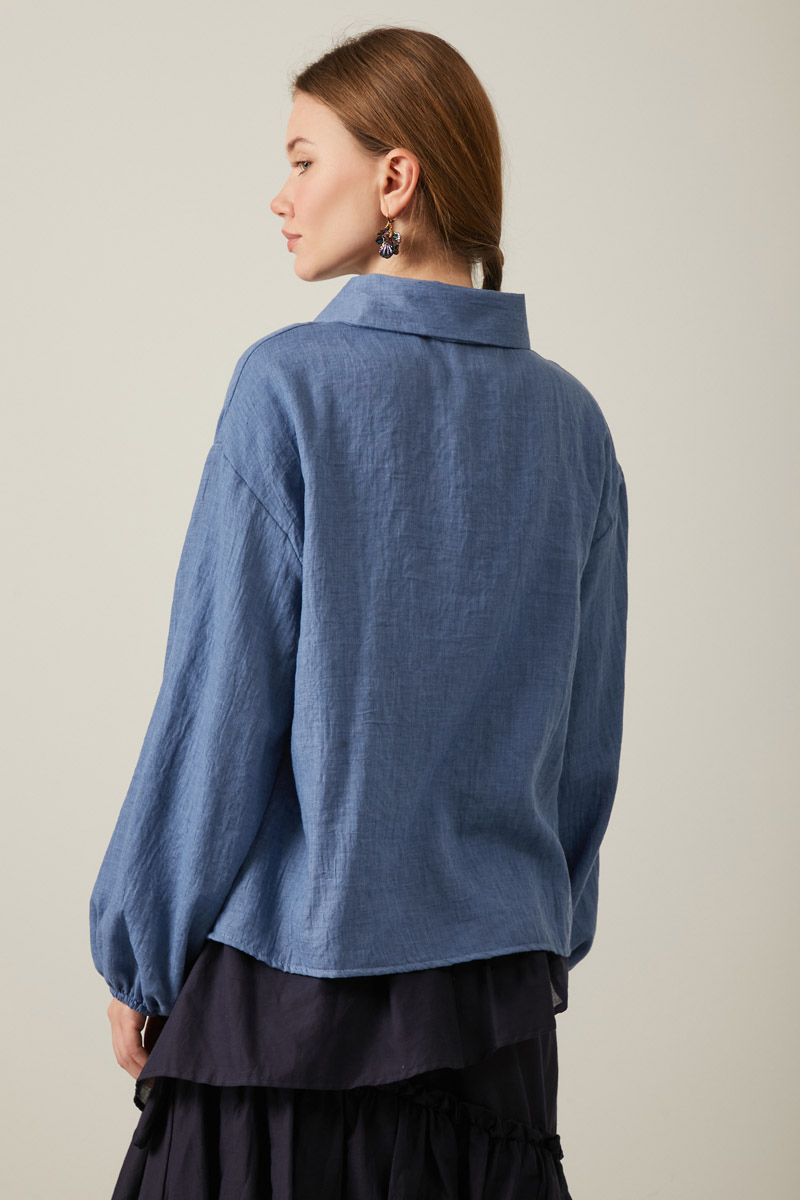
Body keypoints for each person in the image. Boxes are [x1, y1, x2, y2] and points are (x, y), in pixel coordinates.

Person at [90, 24, 628, 1200]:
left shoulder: (287, 387)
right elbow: (581, 752)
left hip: (286, 1014)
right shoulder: (573, 428)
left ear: (394, 179)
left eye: (301, 159)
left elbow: (217, 709)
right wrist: (534, 927)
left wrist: (142, 951)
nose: (278, 196)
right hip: (494, 1026)